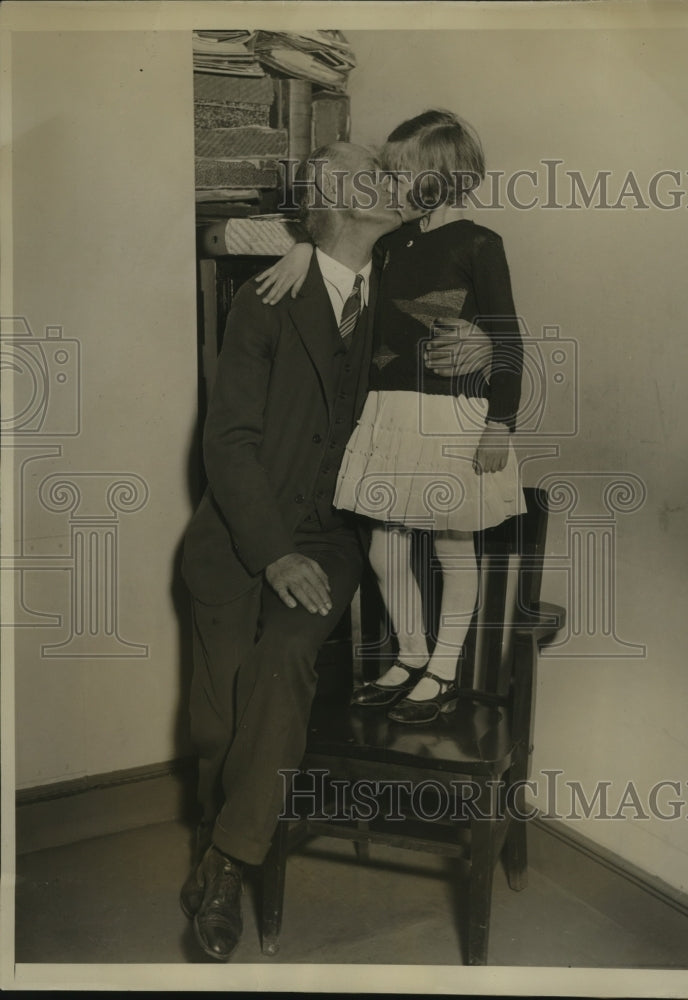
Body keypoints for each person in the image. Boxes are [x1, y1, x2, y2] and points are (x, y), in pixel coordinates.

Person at [179, 141, 493, 961]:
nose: (397, 186)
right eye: (377, 176)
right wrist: (297, 248)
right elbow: (230, 442)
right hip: (236, 540)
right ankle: (220, 839)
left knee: (283, 660)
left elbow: (478, 322)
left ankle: (224, 867)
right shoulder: (267, 298)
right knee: (215, 729)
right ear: (336, 196)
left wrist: (490, 351)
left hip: (329, 537)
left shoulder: (393, 289)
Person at [255, 110, 525, 727]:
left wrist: (500, 423)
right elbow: (335, 244)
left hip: (452, 416)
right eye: (391, 173)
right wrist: (301, 247)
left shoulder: (480, 244)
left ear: (447, 177)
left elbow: (509, 337)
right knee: (384, 547)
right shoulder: (396, 239)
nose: (394, 185)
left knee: (455, 547)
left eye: (404, 174)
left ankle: (444, 668)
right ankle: (411, 655)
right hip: (392, 414)